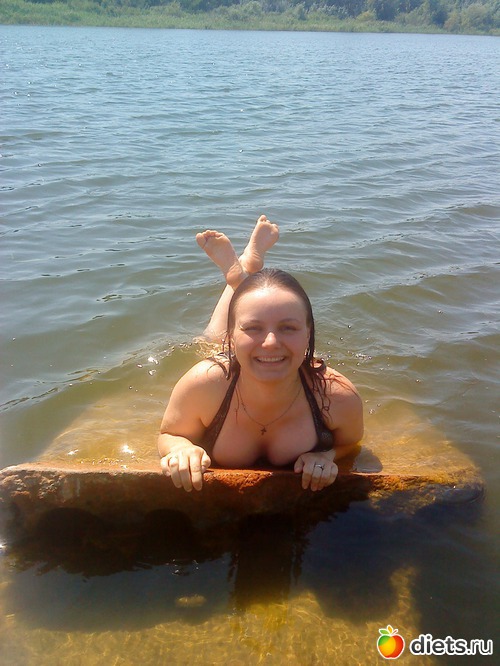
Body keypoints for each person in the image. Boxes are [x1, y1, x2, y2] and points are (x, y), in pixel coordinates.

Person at [158, 215, 363, 493]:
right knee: (209, 341)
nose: (270, 343)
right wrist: (181, 449)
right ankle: (239, 279)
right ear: (233, 337)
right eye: (253, 329)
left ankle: (243, 281)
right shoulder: (205, 384)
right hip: (230, 360)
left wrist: (328, 456)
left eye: (288, 328)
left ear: (308, 333)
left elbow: (350, 443)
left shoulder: (336, 396)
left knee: (243, 323)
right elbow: (169, 434)